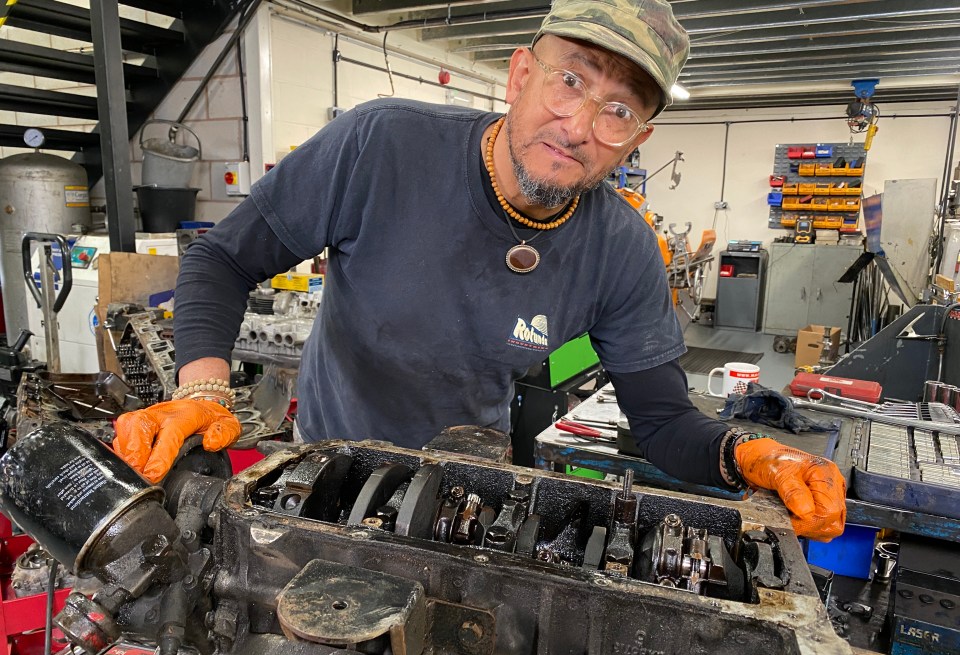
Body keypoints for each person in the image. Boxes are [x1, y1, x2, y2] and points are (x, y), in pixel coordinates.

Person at [113, 0, 847, 541]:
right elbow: (223, 257)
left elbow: (661, 422)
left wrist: (751, 452)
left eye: (617, 111)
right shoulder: (382, 146)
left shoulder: (621, 247)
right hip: (325, 472)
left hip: (465, 491)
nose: (580, 126)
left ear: (638, 139)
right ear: (520, 75)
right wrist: (202, 388)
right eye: (570, 82)